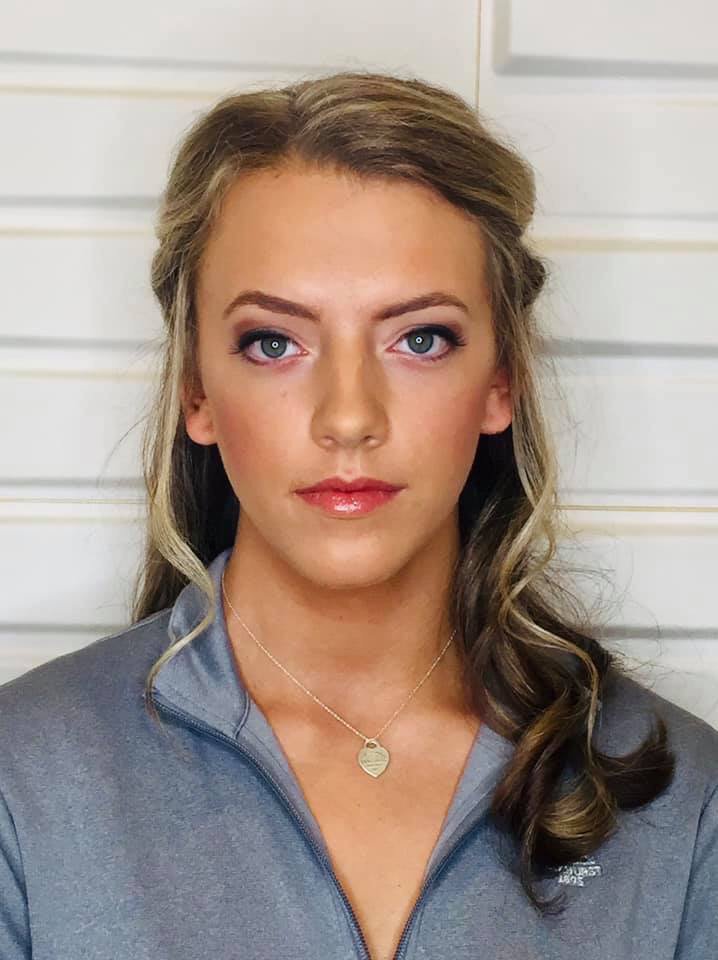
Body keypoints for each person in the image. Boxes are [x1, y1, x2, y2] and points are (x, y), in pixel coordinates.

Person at [1, 69, 716, 960]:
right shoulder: (22, 784)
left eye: (421, 339)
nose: (348, 417)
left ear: (501, 381)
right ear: (196, 388)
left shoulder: (684, 806)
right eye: (273, 342)